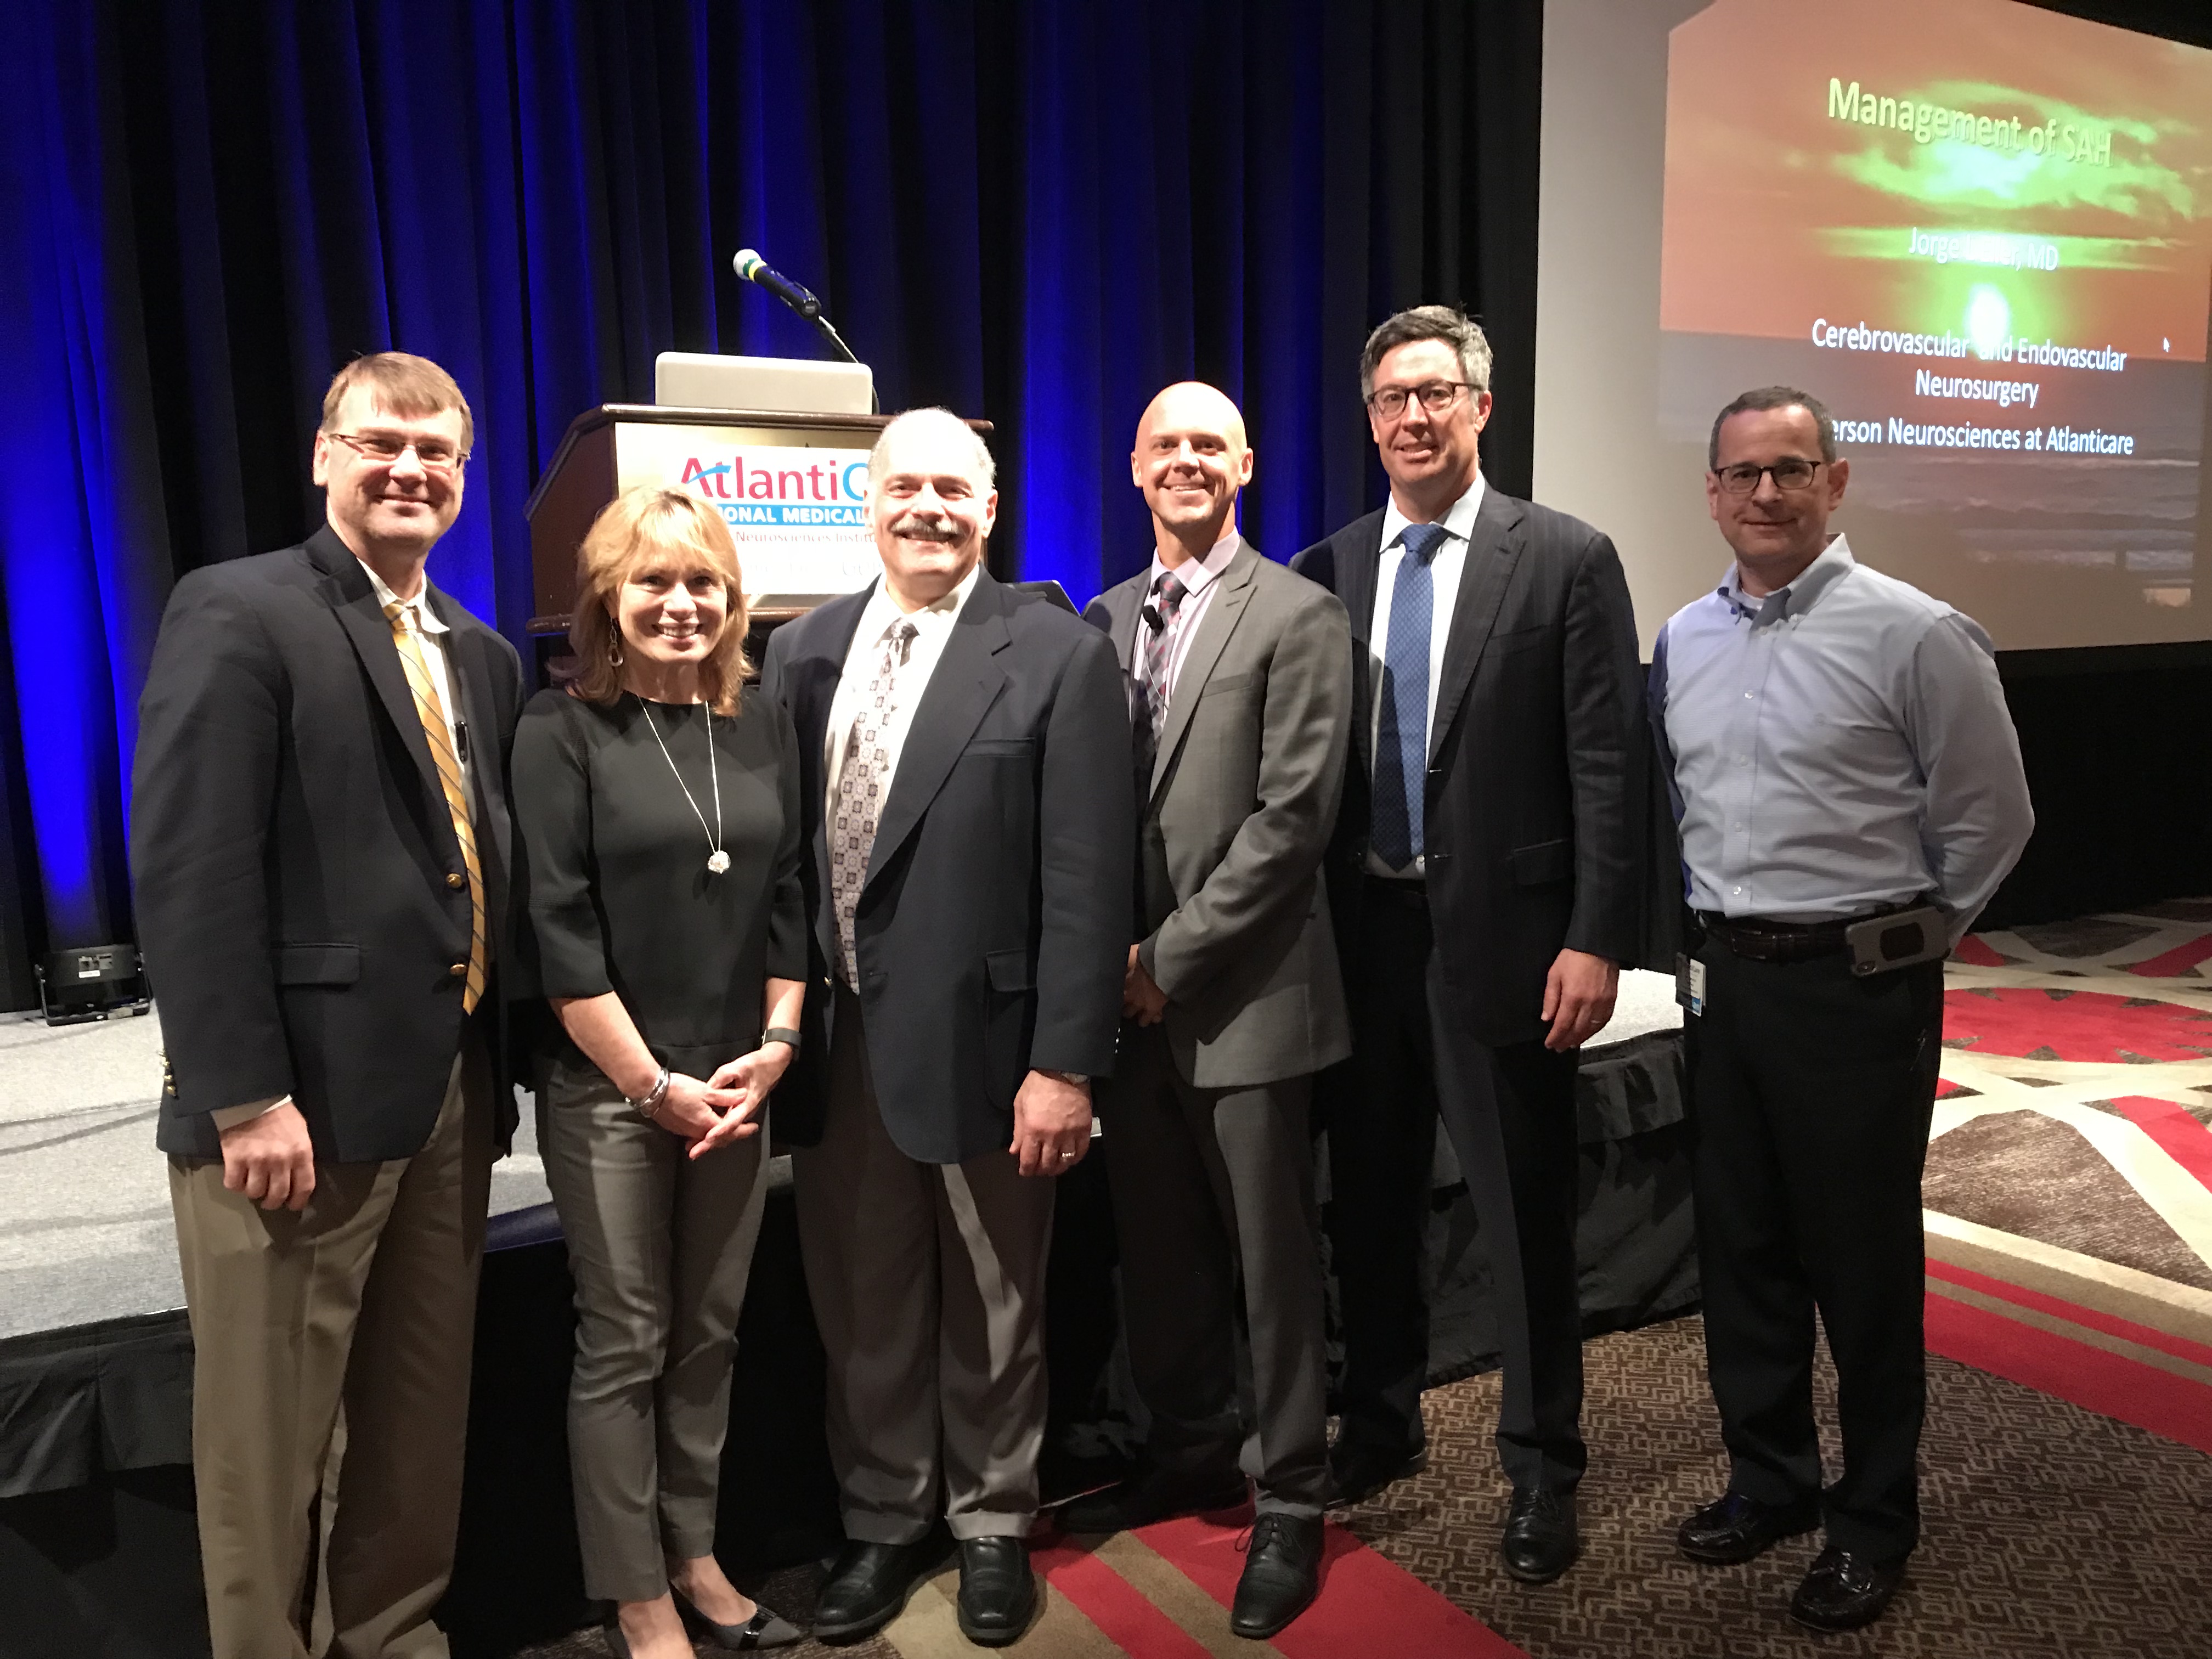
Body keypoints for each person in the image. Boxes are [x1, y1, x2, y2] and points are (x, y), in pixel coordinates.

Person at [133, 352, 526, 1658]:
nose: (410, 469)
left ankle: (394, 1630)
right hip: (292, 1107)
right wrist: (244, 1093)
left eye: (438, 453)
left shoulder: (475, 650)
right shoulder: (238, 610)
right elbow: (192, 868)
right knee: (268, 1431)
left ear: (465, 476)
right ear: (323, 455)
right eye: (382, 444)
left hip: (450, 1090)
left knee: (420, 1409)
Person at [1650, 387, 2032, 1633]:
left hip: (1857, 994)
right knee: (1744, 1250)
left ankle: (1874, 1520)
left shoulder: (1918, 635)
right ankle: (1771, 1480)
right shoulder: (1680, 641)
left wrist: (1904, 949)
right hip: (1725, 989)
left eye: (1791, 470)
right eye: (1743, 474)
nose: (1766, 493)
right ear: (1711, 492)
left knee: (1861, 1266)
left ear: (1837, 481)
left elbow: (1990, 819)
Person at [759, 408, 1132, 1647]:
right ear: (865, 501)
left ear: (990, 506)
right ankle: (881, 1521)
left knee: (993, 1299)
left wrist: (1064, 1064)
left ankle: (989, 1524)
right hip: (840, 1041)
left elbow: (1087, 878)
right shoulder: (803, 650)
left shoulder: (1054, 647)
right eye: (904, 486)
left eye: (952, 489)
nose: (928, 507)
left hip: (992, 1043)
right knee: (862, 1300)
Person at [1291, 306, 1646, 1583]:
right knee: (1371, 1208)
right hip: (1361, 944)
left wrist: (1598, 936)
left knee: (1521, 1214)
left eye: (1436, 394)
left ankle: (1545, 1466)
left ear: (1482, 408)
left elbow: (1609, 765)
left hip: (1506, 943)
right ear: (1370, 418)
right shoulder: (1323, 569)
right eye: (1391, 399)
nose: (1413, 418)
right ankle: (1380, 1427)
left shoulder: (1564, 558)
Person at [1063, 383, 1354, 1637]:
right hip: (1124, 1011)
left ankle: (1289, 1492)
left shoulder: (1299, 612)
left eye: (1206, 443)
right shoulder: (1099, 619)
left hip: (1246, 998)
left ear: (1246, 460)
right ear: (1132, 467)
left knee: (1273, 1264)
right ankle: (1188, 1447)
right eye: (1162, 444)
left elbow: (1291, 824)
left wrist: (1164, 958)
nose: (1185, 461)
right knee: (1164, 1254)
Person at [510, 486, 807, 1657]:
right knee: (626, 1337)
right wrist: (652, 1087)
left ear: (733, 600)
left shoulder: (758, 717)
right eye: (654, 582)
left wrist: (776, 1049)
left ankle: (696, 1553)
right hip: (613, 1092)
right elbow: (558, 929)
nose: (681, 603)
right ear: (607, 597)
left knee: (710, 1332)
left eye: (704, 583)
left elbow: (788, 900)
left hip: (739, 1082)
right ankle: (633, 1592)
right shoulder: (563, 728)